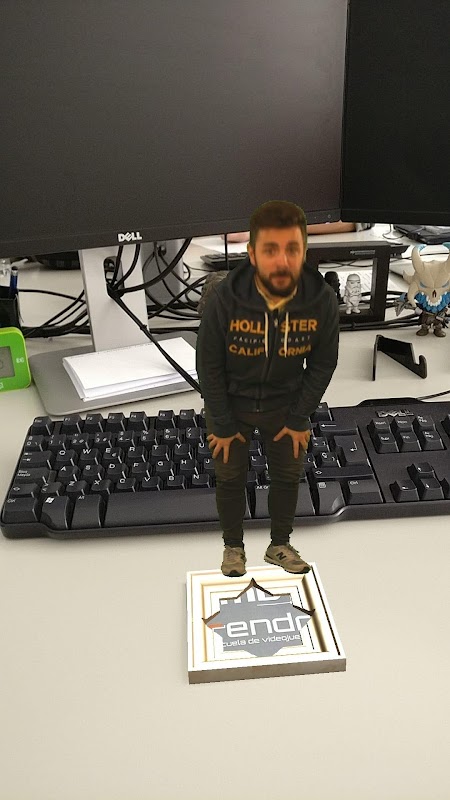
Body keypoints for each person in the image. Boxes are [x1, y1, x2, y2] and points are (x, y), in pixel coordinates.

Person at [196, 200, 340, 577]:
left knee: (288, 476)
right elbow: (208, 365)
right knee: (230, 478)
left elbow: (323, 363)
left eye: (292, 248)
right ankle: (233, 548)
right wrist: (222, 422)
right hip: (231, 404)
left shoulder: (320, 299)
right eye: (270, 249)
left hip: (286, 405)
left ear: (304, 250)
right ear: (252, 253)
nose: (282, 260)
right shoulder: (225, 297)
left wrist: (299, 416)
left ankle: (280, 544)